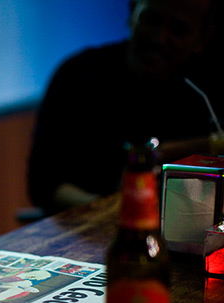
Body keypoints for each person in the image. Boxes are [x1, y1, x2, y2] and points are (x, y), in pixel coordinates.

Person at [27, 0, 223, 216]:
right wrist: (117, 209)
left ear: (203, 39)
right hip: (95, 228)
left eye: (178, 29)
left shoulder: (209, 89)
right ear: (132, 14)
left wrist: (169, 151)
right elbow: (44, 184)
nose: (158, 38)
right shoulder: (78, 75)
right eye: (151, 20)